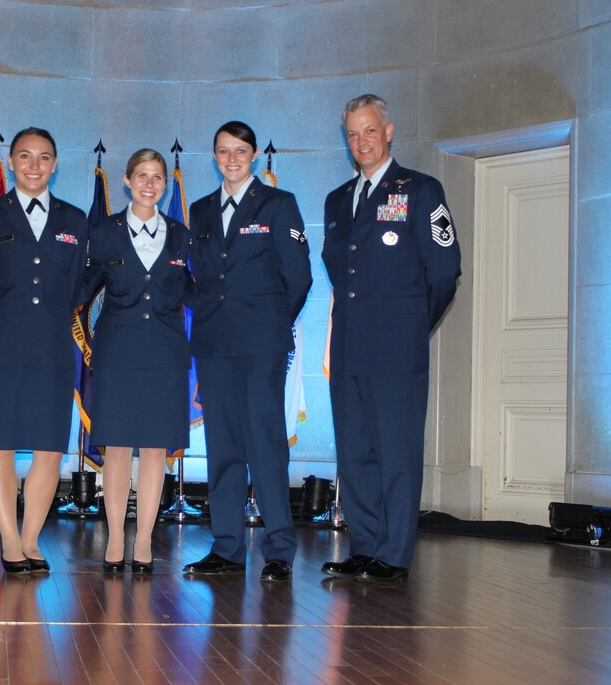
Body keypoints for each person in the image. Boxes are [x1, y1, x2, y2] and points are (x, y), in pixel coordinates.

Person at [321, 93, 461, 582]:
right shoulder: (338, 200)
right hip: (349, 347)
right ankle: (365, 545)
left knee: (396, 451)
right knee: (355, 449)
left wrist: (410, 324)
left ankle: (394, 554)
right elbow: (340, 270)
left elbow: (444, 271)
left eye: (370, 131)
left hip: (396, 347)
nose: (362, 141)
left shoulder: (421, 190)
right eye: (353, 134)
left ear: (389, 131)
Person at [183, 121, 312, 582]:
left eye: (240, 151)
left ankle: (279, 549)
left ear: (254, 155)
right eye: (223, 151)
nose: (232, 159)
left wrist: (271, 328)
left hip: (261, 347)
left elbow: (299, 278)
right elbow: (193, 278)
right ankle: (227, 547)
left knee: (266, 445)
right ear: (214, 156)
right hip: (215, 346)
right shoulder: (199, 211)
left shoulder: (278, 205)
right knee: (222, 449)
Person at [0, 127, 87, 575]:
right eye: (25, 156)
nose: (34, 165)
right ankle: (10, 541)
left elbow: (78, 285)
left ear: (55, 164)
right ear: (11, 162)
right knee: (0, 444)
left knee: (49, 447)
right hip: (0, 343)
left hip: (52, 345)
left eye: (44, 157)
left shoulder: (75, 220)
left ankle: (32, 538)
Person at [82, 149, 193, 575]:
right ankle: (114, 538)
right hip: (117, 354)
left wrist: (234, 301)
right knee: (116, 450)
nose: (150, 184)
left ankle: (144, 540)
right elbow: (84, 286)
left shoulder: (182, 234)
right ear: (126, 180)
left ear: (166, 184)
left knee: (153, 451)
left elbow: (190, 289)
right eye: (141, 176)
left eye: (158, 177)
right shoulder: (104, 232)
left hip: (165, 355)